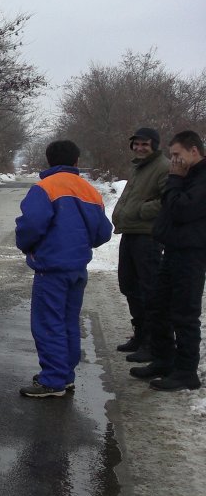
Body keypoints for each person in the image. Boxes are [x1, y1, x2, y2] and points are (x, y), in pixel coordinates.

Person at [15, 140, 113, 397]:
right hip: (78, 270)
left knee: (48, 323)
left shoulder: (45, 188)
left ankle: (53, 380)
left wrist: (26, 246)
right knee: (69, 321)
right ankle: (65, 374)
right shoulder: (90, 191)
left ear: (49, 161)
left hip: (52, 269)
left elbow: (31, 225)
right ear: (76, 161)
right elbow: (103, 232)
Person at [130, 130, 206, 392]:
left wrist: (174, 179)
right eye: (172, 155)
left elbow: (182, 209)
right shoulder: (187, 175)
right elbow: (171, 205)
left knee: (184, 314)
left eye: (177, 155)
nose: (173, 160)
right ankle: (164, 359)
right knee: (158, 307)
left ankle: (186, 371)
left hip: (192, 253)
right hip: (172, 249)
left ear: (193, 151)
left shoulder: (199, 177)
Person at [110, 127, 169, 361]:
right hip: (131, 233)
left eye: (145, 144)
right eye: (136, 144)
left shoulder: (163, 167)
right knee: (129, 285)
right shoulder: (138, 166)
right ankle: (140, 334)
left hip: (148, 235)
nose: (140, 148)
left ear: (154, 145)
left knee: (149, 290)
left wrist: (141, 210)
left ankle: (152, 343)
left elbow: (168, 200)